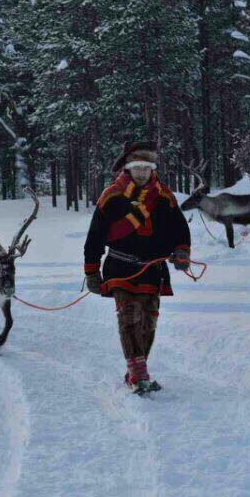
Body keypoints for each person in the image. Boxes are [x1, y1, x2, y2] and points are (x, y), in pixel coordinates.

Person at [83, 141, 191, 394]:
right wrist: (91, 271)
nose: (142, 172)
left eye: (146, 167)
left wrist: (182, 252)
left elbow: (180, 229)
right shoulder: (111, 195)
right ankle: (139, 375)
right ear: (128, 168)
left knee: (148, 322)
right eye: (137, 167)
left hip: (154, 268)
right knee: (129, 317)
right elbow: (95, 236)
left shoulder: (164, 195)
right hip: (120, 267)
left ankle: (135, 369)